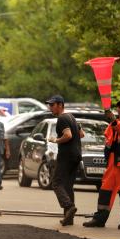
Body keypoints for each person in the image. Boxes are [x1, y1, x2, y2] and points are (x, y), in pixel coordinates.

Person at [83, 98, 120, 230]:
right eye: (119, 107)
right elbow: (108, 140)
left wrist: (114, 120)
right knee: (105, 191)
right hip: (113, 163)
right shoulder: (112, 125)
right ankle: (99, 219)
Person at [46, 95, 84, 226]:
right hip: (77, 155)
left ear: (60, 105)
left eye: (52, 105)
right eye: (49, 105)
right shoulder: (71, 117)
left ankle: (69, 206)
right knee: (67, 186)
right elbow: (81, 134)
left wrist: (56, 140)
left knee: (56, 183)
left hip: (66, 155)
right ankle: (69, 218)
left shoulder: (62, 118)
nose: (50, 107)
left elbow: (68, 135)